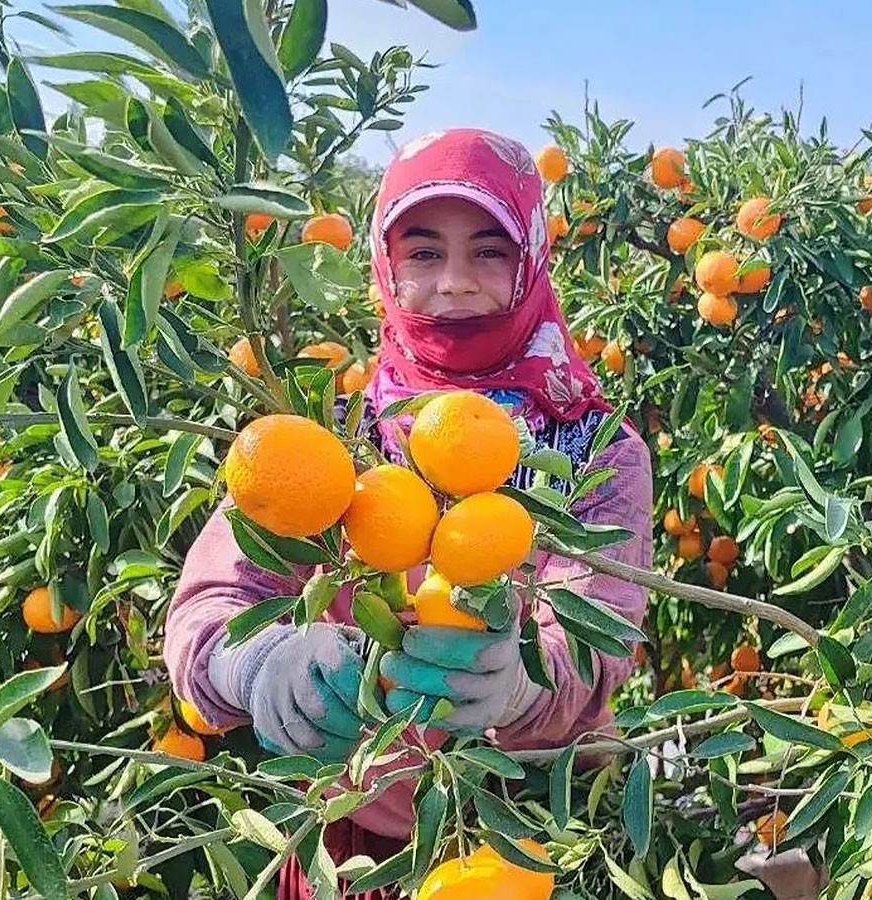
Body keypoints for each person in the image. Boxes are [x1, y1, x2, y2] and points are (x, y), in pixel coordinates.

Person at [164, 129, 654, 899]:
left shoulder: (597, 448)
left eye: (490, 251)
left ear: (532, 259)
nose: (455, 282)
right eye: (423, 253)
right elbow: (214, 601)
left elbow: (603, 637)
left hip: (519, 837)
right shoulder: (333, 429)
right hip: (353, 845)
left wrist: (525, 686)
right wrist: (256, 666)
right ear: (385, 268)